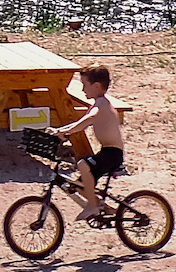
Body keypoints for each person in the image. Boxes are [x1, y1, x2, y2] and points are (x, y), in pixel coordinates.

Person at [50, 64, 123, 215]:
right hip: (105, 152)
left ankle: (92, 206)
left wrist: (64, 131)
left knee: (83, 164)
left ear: (96, 86)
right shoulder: (98, 103)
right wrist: (61, 130)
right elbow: (81, 122)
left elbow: (87, 120)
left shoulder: (102, 103)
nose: (82, 89)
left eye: (84, 85)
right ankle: (107, 210)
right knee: (80, 186)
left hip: (112, 154)